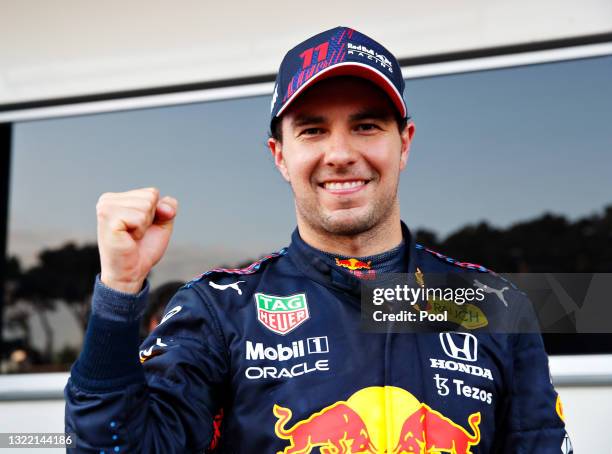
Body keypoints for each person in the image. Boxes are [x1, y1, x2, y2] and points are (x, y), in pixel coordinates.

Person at [65, 26, 572, 453]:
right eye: (312, 130)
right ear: (280, 155)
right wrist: (120, 291)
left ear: (405, 143)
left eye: (366, 125)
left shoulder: (489, 305)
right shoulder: (220, 311)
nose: (340, 153)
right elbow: (112, 446)